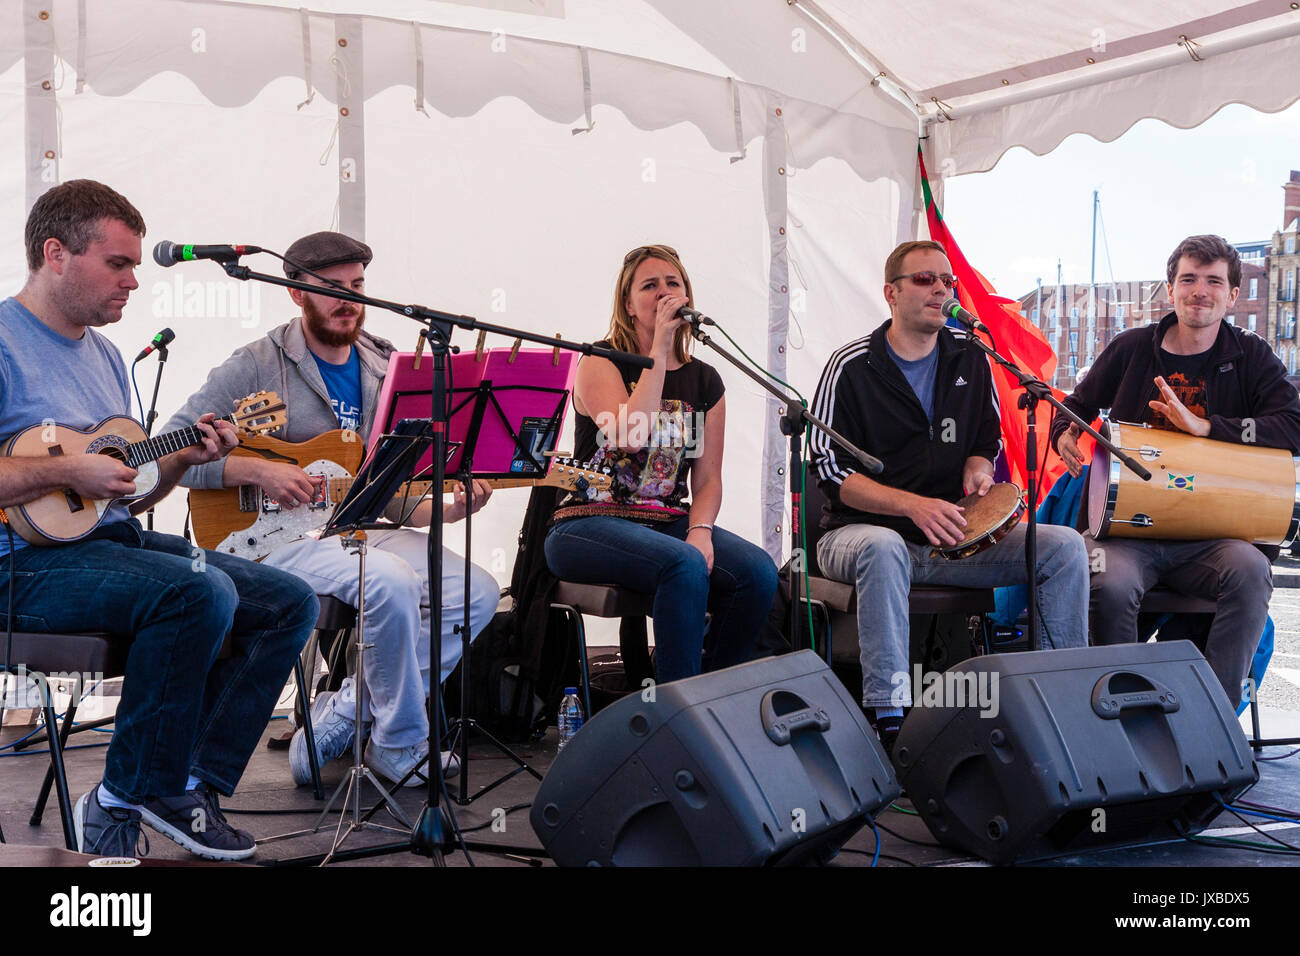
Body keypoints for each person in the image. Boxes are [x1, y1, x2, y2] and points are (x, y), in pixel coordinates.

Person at [0, 179, 319, 860]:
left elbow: (125, 496)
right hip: (20, 568)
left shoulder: (107, 355)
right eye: (118, 263)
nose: (134, 282)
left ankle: (181, 787)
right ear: (55, 253)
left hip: (109, 545)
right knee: (196, 590)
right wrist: (62, 470)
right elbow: (73, 481)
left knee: (289, 600)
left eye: (137, 264)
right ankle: (135, 793)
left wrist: (177, 461)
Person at [164, 231, 499, 790]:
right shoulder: (255, 363)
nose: (349, 299)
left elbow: (377, 491)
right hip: (265, 539)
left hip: (352, 529)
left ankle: (345, 712)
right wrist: (254, 469)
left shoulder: (387, 363)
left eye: (358, 286)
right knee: (388, 582)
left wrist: (444, 508)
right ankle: (398, 745)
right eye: (332, 288)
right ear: (296, 293)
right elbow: (167, 450)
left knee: (473, 590)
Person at [810, 239, 1089, 755]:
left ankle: (1061, 704)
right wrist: (910, 505)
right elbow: (827, 466)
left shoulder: (971, 356)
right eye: (925, 279)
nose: (941, 288)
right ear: (890, 294)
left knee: (1063, 548)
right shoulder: (850, 366)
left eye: (947, 281)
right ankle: (888, 722)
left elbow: (986, 442)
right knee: (884, 548)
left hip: (951, 539)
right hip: (857, 538)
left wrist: (978, 472)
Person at [1052, 234, 1300, 708]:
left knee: (1250, 571)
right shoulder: (1131, 349)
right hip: (1124, 534)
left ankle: (1213, 722)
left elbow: (1293, 426)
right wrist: (1065, 431)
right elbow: (1075, 406)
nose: (1199, 291)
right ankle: (1115, 713)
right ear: (1171, 290)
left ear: (1231, 295)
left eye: (1213, 281)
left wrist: (1208, 427)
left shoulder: (1251, 356)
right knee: (1110, 580)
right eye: (1188, 279)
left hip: (1212, 536)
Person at [543, 244, 777, 683]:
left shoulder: (706, 380)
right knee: (683, 564)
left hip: (663, 520)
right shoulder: (599, 358)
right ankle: (674, 710)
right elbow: (631, 435)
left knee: (757, 572)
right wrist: (660, 352)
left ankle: (708, 689)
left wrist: (701, 531)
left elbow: (708, 481)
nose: (664, 293)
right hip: (586, 522)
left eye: (674, 283)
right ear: (628, 305)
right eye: (649, 286)